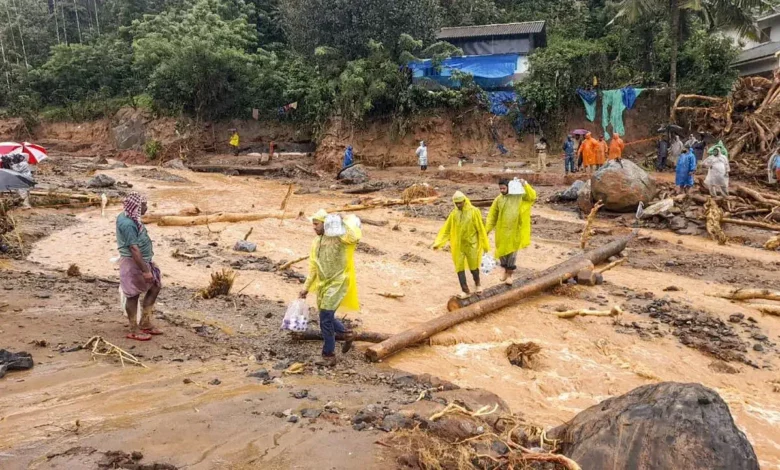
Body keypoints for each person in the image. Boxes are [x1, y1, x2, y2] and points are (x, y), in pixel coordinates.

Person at [300, 210, 361, 366]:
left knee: (325, 319)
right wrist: (305, 288)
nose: (314, 228)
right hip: (323, 283)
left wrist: (343, 221)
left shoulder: (338, 238)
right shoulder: (316, 242)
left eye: (316, 224)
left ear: (325, 224)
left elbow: (354, 237)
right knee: (326, 315)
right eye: (313, 224)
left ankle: (329, 355)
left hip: (338, 282)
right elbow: (313, 267)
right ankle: (347, 334)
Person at [116, 192, 162, 341]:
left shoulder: (130, 218)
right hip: (133, 263)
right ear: (136, 207)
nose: (146, 207)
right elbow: (134, 249)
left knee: (155, 286)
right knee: (133, 294)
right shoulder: (128, 224)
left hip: (143, 260)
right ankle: (134, 329)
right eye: (144, 205)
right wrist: (145, 270)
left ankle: (145, 322)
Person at [433, 191, 490, 299]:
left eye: (460, 203)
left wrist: (485, 244)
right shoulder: (454, 213)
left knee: (473, 266)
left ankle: (477, 284)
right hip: (458, 245)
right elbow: (446, 229)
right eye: (456, 203)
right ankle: (465, 290)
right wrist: (438, 243)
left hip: (471, 244)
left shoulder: (474, 212)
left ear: (464, 200)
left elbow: (481, 229)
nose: (458, 205)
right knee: (459, 267)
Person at [486, 179, 537, 285]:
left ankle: (509, 275)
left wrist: (525, 185)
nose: (502, 190)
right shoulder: (498, 200)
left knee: (512, 255)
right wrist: (486, 230)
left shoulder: (517, 196)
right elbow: (492, 216)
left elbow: (531, 197)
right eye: (500, 189)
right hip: (501, 231)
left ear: (509, 187)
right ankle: (505, 270)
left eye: (504, 188)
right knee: (502, 253)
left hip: (514, 230)